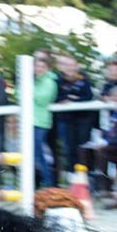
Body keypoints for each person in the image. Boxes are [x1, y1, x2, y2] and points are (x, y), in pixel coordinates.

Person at [55, 55, 95, 172]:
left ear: (77, 66)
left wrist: (73, 100)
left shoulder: (84, 79)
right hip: (67, 119)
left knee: (83, 147)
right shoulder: (58, 80)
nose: (70, 68)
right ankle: (72, 174)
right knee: (69, 148)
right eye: (67, 65)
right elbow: (57, 97)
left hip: (83, 119)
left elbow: (88, 96)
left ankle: (86, 174)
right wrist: (68, 97)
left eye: (72, 65)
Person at [34, 55, 58, 187]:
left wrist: (29, 89)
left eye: (42, 66)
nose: (38, 69)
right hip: (31, 122)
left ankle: (49, 183)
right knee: (35, 155)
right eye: (37, 66)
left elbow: (42, 99)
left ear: (48, 68)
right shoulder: (35, 81)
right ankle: (42, 182)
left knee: (39, 155)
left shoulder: (49, 82)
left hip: (41, 122)